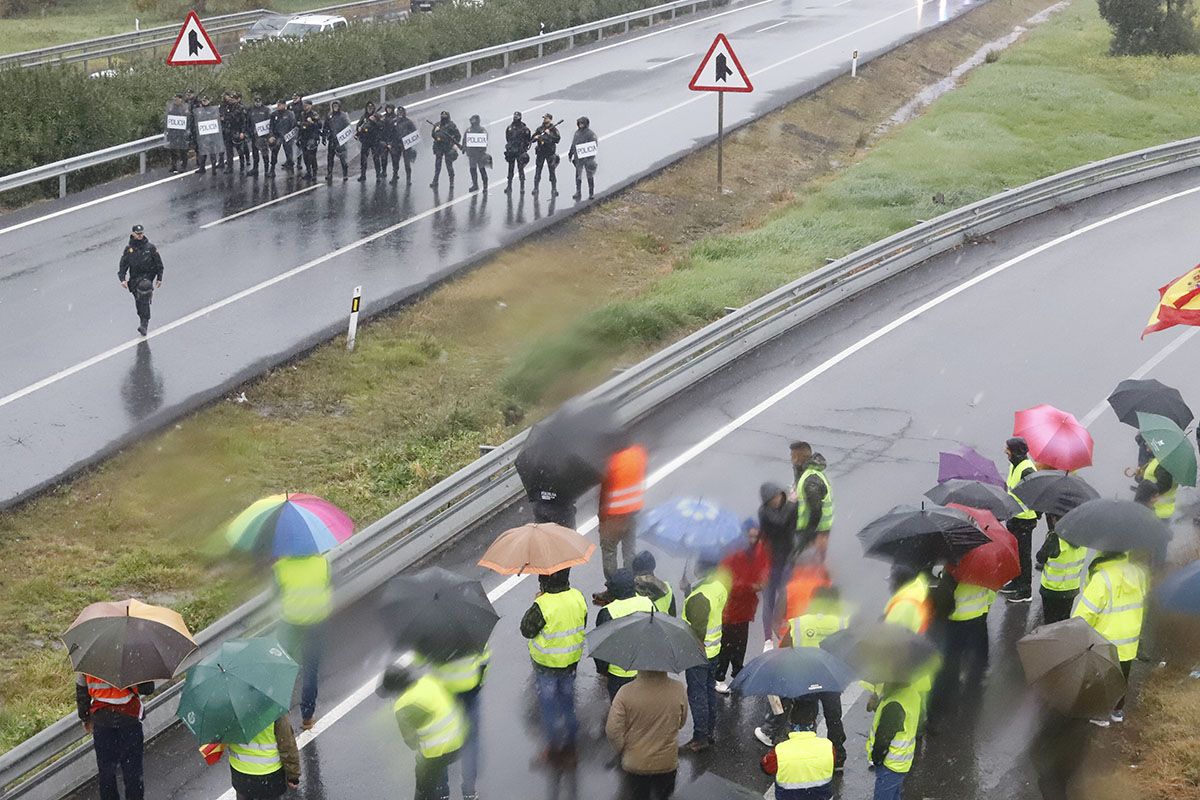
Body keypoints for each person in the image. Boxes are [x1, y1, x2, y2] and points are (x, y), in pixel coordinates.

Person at [1072, 550, 1149, 725]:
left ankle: (1100, 714)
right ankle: (1117, 711)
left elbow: (1085, 612)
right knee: (1122, 675)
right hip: (1129, 637)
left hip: (1105, 638)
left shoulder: (1102, 578)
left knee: (1102, 676)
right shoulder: (1138, 573)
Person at [520, 568, 587, 762]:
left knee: (549, 707)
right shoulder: (577, 597)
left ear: (544, 581)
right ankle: (572, 748)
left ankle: (553, 748)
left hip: (546, 667)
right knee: (568, 704)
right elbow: (582, 621)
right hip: (571, 663)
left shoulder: (542, 604)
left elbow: (527, 630)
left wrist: (538, 601)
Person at [780, 585, 849, 768]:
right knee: (833, 717)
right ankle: (837, 756)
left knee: (804, 716)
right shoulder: (842, 623)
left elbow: (784, 649)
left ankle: (805, 755)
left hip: (806, 677)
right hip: (830, 678)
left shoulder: (800, 623)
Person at [382, 658, 467, 800]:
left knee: (423, 778)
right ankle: (440, 791)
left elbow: (411, 742)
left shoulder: (403, 704)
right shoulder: (428, 680)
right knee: (433, 767)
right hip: (461, 739)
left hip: (440, 750)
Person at [606, 669, 688, 800]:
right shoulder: (678, 689)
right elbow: (681, 723)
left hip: (636, 763)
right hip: (666, 763)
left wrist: (622, 748)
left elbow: (613, 730)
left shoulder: (625, 692)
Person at [273, 553, 332, 729]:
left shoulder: (280, 567)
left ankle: (279, 716)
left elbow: (277, 593)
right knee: (310, 669)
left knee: (283, 666)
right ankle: (307, 718)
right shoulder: (322, 562)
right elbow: (328, 584)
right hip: (316, 620)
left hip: (291, 622)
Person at [929, 572, 994, 727]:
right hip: (978, 616)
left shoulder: (955, 570)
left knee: (950, 663)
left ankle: (942, 710)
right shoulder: (983, 567)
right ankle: (972, 691)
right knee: (976, 657)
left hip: (956, 621)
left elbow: (945, 600)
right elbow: (991, 592)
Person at [75, 674, 154, 800]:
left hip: (102, 720)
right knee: (133, 770)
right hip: (128, 718)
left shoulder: (87, 660)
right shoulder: (132, 655)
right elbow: (148, 689)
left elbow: (81, 692)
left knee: (106, 771)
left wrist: (85, 717)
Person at [715, 518, 769, 694]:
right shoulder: (732, 554)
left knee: (740, 642)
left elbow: (765, 566)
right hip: (730, 608)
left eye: (756, 536)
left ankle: (737, 671)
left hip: (746, 608)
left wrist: (763, 579)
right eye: (750, 536)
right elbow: (727, 582)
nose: (753, 540)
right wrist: (750, 586)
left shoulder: (759, 550)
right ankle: (720, 676)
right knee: (727, 644)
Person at [681, 556, 728, 752]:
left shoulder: (699, 598)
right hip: (714, 650)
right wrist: (688, 590)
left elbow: (697, 628)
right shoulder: (718, 588)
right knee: (708, 691)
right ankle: (709, 731)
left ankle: (700, 737)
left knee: (697, 694)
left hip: (699, 653)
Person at [430, 647, 489, 800]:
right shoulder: (469, 630)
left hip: (444, 694)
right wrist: (479, 682)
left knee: (439, 742)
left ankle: (442, 791)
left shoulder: (431, 636)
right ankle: (469, 790)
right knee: (470, 741)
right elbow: (484, 658)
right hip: (470, 690)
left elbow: (423, 667)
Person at [593, 569, 654, 700]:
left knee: (620, 708)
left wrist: (603, 670)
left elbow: (600, 648)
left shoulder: (608, 612)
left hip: (619, 673)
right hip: (644, 668)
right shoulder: (648, 603)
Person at [597, 442, 647, 586]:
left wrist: (601, 516)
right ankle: (632, 583)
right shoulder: (637, 454)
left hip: (613, 517)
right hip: (631, 514)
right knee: (629, 551)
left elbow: (605, 492)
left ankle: (614, 587)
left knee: (609, 553)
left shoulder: (611, 462)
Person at [761, 702, 835, 800]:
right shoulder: (828, 746)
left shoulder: (780, 750)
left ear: (791, 724)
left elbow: (766, 768)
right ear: (813, 724)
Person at [867, 681, 922, 800]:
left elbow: (884, 737)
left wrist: (876, 759)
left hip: (889, 763)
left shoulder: (894, 705)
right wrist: (877, 705)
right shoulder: (910, 692)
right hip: (901, 761)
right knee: (894, 795)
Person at [1000, 437, 1039, 603]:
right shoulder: (1014, 465)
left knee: (1023, 555)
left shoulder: (1027, 470)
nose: (1005, 451)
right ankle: (1016, 581)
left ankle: (1025, 591)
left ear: (1015, 451)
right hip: (1014, 516)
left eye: (1007, 449)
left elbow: (1035, 495)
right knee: (1015, 553)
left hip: (1024, 520)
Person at [227, 713, 300, 800]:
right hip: (270, 776)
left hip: (240, 776)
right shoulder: (274, 709)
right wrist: (293, 775)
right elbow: (287, 746)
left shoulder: (229, 711)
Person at [758, 482, 799, 642]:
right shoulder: (765, 513)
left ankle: (784, 631)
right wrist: (792, 503)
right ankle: (768, 637)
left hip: (787, 559)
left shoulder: (786, 508)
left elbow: (793, 523)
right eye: (773, 499)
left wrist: (795, 503)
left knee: (785, 595)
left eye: (778, 496)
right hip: (770, 563)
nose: (777, 500)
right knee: (769, 600)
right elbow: (780, 521)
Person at [1035, 515, 1086, 624]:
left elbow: (1040, 557)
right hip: (1071, 589)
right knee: (1063, 623)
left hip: (1052, 590)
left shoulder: (1056, 538)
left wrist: (1049, 537)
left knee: (1050, 625)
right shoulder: (1083, 538)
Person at [790, 443, 834, 561]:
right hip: (815, 527)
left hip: (816, 528)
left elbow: (816, 510)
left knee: (808, 560)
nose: (791, 460)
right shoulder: (803, 472)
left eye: (793, 457)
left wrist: (808, 535)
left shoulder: (811, 480)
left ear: (801, 458)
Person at [117, 224, 164, 336]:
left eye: (141, 233)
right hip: (134, 279)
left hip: (147, 277)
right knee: (139, 302)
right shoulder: (129, 250)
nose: (140, 235)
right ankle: (142, 319)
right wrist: (122, 279)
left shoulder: (150, 248)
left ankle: (144, 324)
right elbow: (123, 265)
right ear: (133, 234)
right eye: (138, 234)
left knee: (144, 294)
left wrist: (159, 278)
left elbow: (159, 264)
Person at [1135, 454, 1177, 520]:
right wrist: (1139, 476)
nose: (1147, 449)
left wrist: (1145, 492)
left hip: (1159, 513)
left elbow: (1164, 484)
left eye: (1148, 446)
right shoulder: (1157, 461)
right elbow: (1149, 478)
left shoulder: (1163, 466)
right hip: (1155, 510)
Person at [632, 550, 676, 615]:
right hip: (662, 624)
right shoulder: (667, 588)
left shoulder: (631, 589)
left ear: (634, 569)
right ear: (653, 567)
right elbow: (672, 617)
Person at [568, 116, 597, 201]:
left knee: (589, 176)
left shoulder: (590, 134)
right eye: (579, 123)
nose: (580, 125)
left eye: (582, 123)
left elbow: (593, 146)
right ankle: (578, 191)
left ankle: (591, 193)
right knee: (578, 175)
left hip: (588, 159)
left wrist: (590, 157)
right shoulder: (577, 133)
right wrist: (570, 153)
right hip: (578, 158)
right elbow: (574, 144)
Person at [321, 98, 351, 182]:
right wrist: (324, 136)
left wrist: (343, 138)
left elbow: (348, 127)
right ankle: (329, 173)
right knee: (330, 157)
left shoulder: (343, 116)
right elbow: (325, 126)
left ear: (339, 106)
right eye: (333, 106)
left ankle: (345, 174)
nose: (335, 107)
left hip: (341, 140)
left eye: (336, 106)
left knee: (343, 158)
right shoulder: (329, 115)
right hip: (332, 139)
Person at [531, 114, 560, 197]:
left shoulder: (554, 129)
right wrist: (535, 137)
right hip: (541, 152)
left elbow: (557, 139)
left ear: (550, 119)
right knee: (538, 170)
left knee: (552, 171)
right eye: (544, 118)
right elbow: (532, 139)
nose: (544, 119)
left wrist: (549, 134)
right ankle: (535, 188)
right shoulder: (540, 129)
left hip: (550, 153)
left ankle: (554, 189)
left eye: (546, 118)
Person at [430, 110, 461, 189]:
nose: (443, 118)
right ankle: (435, 180)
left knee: (449, 166)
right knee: (438, 165)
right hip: (439, 147)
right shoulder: (437, 125)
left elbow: (458, 136)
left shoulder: (452, 125)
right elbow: (433, 135)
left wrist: (455, 144)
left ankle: (451, 182)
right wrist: (435, 131)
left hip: (448, 147)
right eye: (442, 116)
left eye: (445, 116)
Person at [504, 110, 532, 194]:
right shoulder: (509, 128)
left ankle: (522, 187)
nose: (515, 118)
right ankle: (509, 186)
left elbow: (528, 140)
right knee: (510, 170)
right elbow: (507, 138)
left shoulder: (525, 129)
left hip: (520, 151)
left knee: (520, 169)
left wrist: (523, 147)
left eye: (517, 117)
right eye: (514, 116)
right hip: (512, 151)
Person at [267, 100, 297, 177]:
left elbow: (293, 125)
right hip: (277, 136)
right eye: (277, 105)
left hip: (287, 136)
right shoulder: (274, 114)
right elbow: (271, 126)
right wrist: (271, 136)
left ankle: (291, 171)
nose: (278, 106)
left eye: (280, 105)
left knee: (289, 154)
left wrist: (292, 136)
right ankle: (272, 170)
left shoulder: (290, 114)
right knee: (274, 152)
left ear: (284, 105)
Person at [356, 103, 384, 182]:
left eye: (371, 108)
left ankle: (378, 175)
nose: (370, 109)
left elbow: (382, 125)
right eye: (368, 108)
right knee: (363, 158)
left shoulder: (377, 116)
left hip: (374, 140)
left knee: (376, 158)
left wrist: (374, 121)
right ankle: (363, 175)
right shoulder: (364, 117)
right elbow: (358, 125)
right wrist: (359, 129)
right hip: (365, 140)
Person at [164, 93, 191, 173]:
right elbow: (168, 118)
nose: (175, 101)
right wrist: (167, 129)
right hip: (173, 132)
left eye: (176, 99)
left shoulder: (184, 108)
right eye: (174, 99)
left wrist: (187, 130)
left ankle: (184, 165)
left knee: (183, 149)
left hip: (182, 132)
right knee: (173, 149)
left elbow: (188, 119)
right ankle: (174, 165)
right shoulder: (171, 108)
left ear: (180, 99)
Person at [246, 95, 272, 177]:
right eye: (256, 101)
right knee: (255, 153)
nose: (258, 103)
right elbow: (248, 122)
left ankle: (267, 169)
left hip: (263, 136)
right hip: (254, 135)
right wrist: (249, 132)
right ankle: (255, 168)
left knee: (264, 153)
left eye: (259, 101)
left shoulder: (266, 110)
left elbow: (269, 123)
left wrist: (268, 135)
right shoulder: (251, 110)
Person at [464, 114, 489, 192]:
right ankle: (475, 185)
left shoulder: (482, 130)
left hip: (480, 154)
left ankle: (485, 186)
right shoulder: (468, 130)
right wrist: (464, 147)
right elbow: (464, 140)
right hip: (471, 154)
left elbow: (484, 140)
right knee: (472, 169)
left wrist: (481, 149)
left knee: (482, 169)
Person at [297, 101, 322, 181]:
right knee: (305, 156)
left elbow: (319, 125)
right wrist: (298, 137)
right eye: (304, 105)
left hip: (312, 137)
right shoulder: (302, 114)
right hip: (304, 137)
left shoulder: (314, 114)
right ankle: (308, 172)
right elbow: (299, 126)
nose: (305, 107)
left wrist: (312, 122)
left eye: (307, 105)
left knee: (311, 156)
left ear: (310, 106)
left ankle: (314, 172)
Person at [394, 105, 419, 185]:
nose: (400, 113)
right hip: (397, 144)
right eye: (399, 112)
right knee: (395, 162)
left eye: (401, 112)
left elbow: (414, 132)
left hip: (406, 144)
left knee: (406, 163)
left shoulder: (408, 122)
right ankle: (395, 176)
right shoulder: (394, 121)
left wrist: (408, 138)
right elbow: (390, 133)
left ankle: (408, 179)